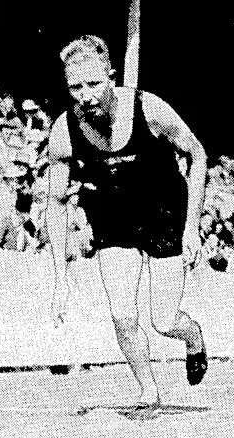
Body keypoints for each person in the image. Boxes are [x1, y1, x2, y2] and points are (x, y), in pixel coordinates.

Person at [46, 35, 208, 417]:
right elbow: (55, 203)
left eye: (93, 84)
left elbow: (197, 154)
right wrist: (60, 277)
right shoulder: (64, 131)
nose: (85, 96)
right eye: (75, 87)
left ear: (111, 77)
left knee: (163, 320)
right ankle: (148, 390)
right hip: (113, 215)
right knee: (122, 315)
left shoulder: (148, 108)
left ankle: (194, 338)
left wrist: (192, 227)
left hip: (164, 210)